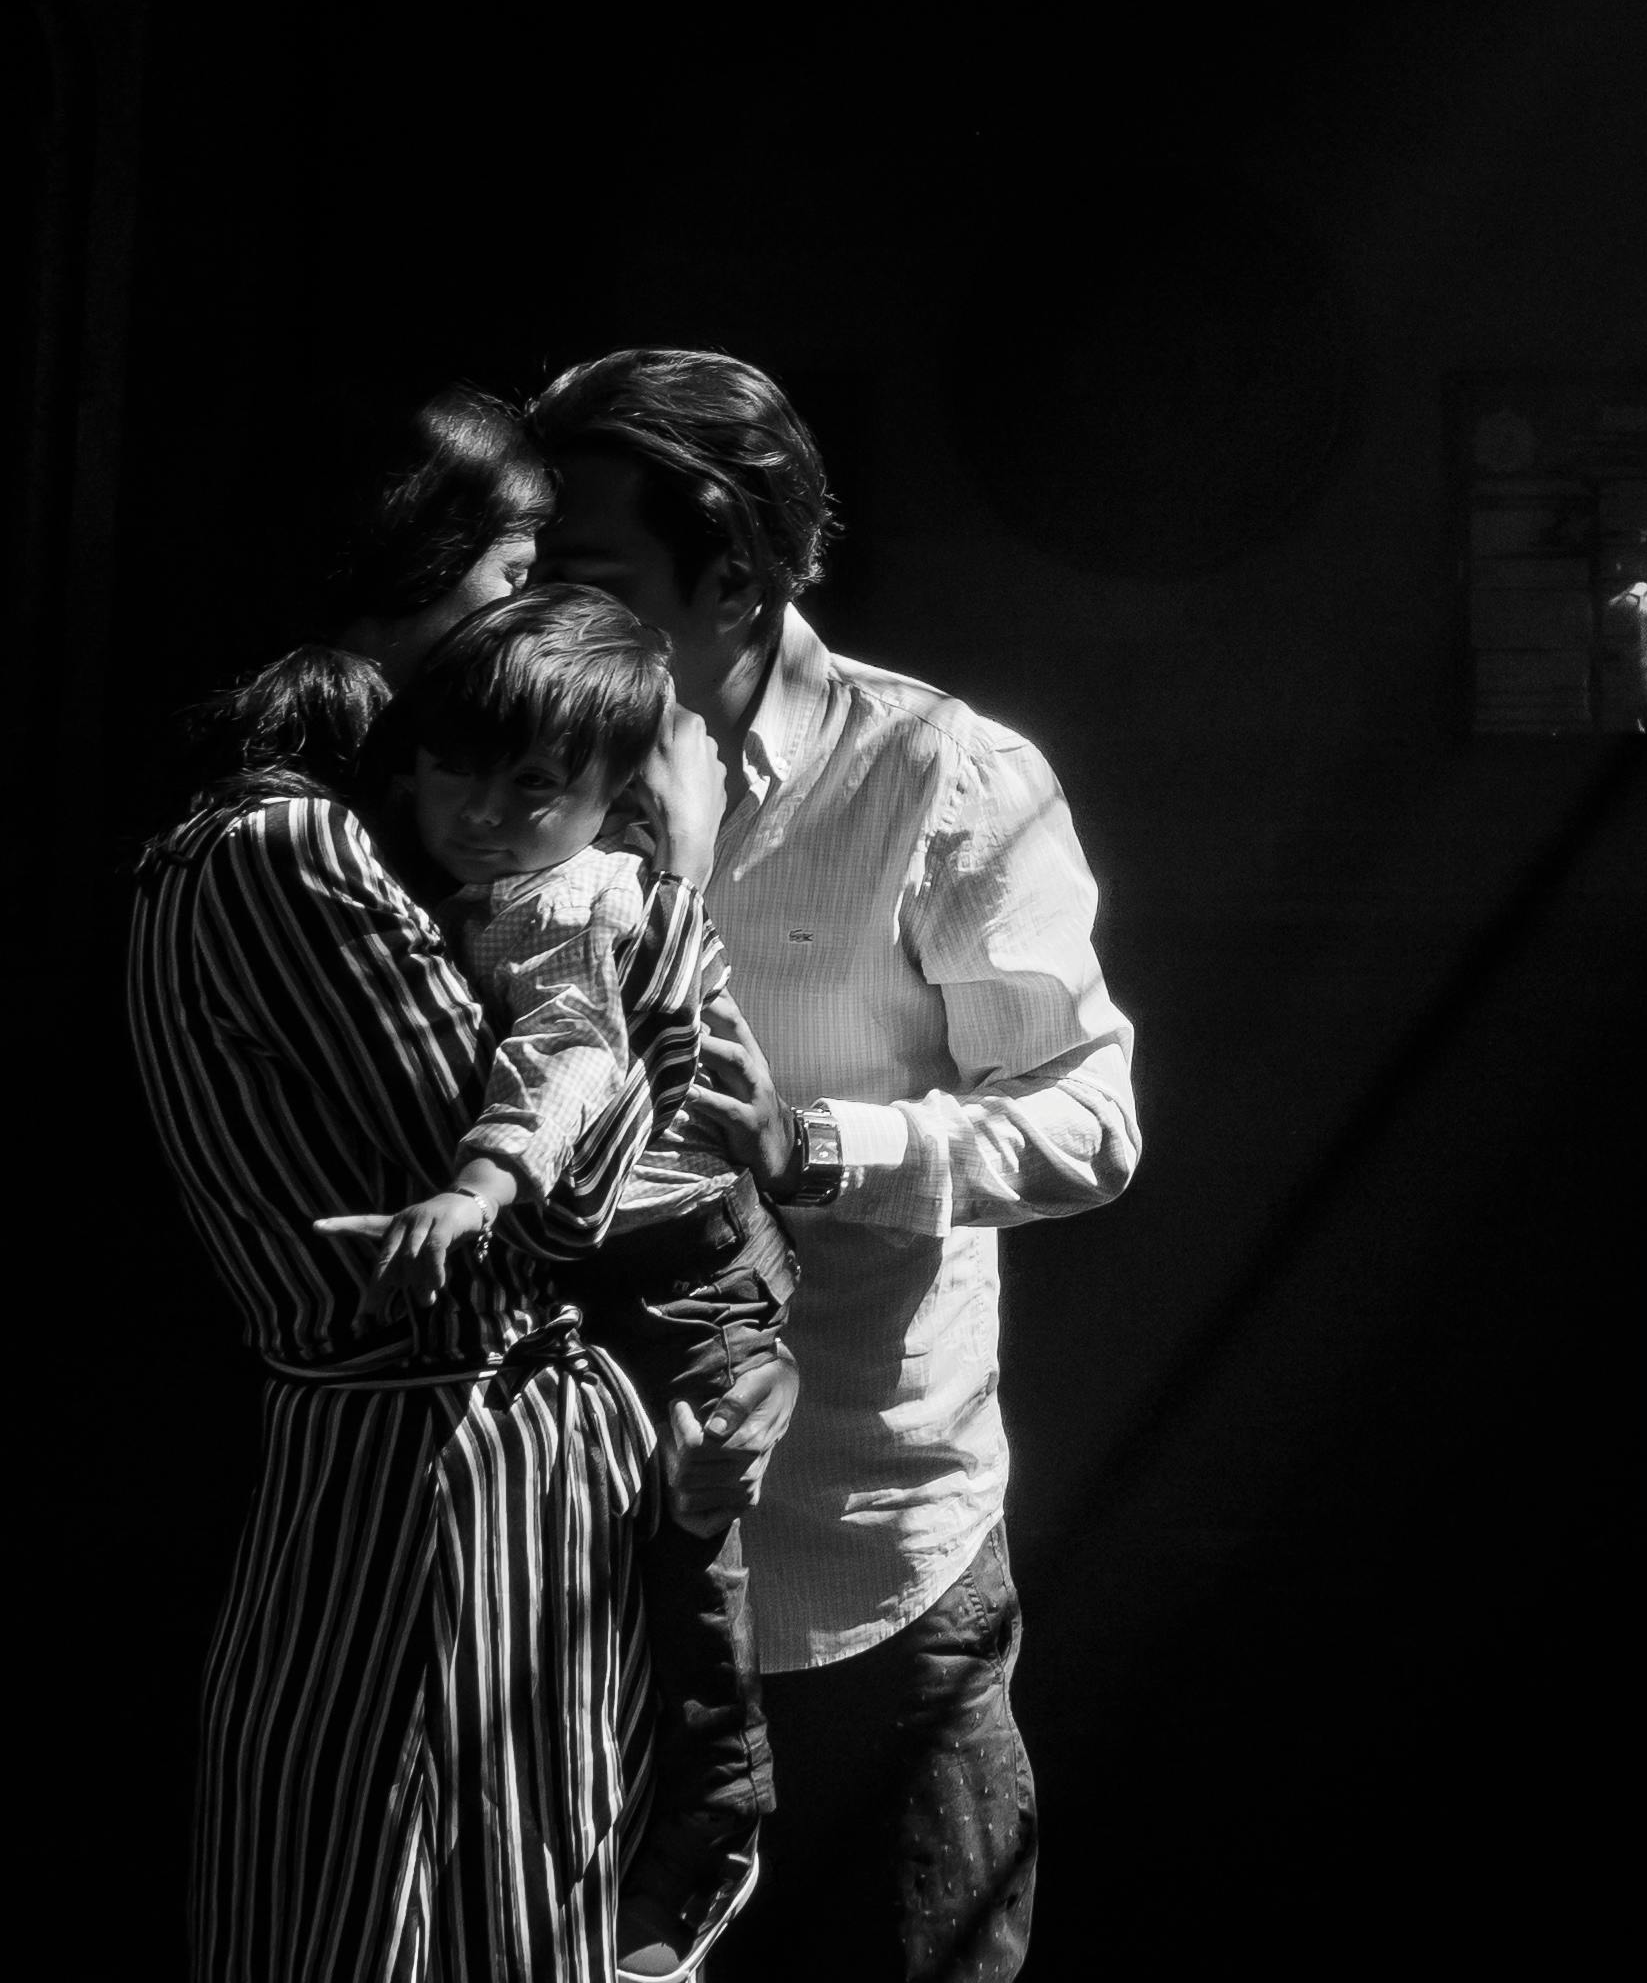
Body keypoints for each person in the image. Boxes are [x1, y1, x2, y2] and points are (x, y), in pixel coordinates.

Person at [523, 351, 1141, 1983]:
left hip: (864, 1558)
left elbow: (1089, 1122)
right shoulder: (516, 775)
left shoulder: (942, 776)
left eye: (589, 575)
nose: (538, 613)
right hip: (580, 1569)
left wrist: (817, 1146)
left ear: (734, 574)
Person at [125, 398, 659, 1983]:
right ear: (414, 565)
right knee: (396, 1910)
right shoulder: (287, 847)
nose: (521, 615)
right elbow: (556, 1208)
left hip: (434, 1460)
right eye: (510, 572)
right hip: (426, 1474)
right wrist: (667, 908)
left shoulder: (314, 835)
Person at [338, 583, 807, 1983]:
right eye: (457, 771)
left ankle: (714, 1828)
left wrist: (482, 1184)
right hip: (641, 1263)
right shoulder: (473, 880)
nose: (484, 812)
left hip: (683, 1275)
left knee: (689, 1541)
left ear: (610, 802)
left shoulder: (571, 900)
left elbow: (573, 1052)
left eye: (534, 786)